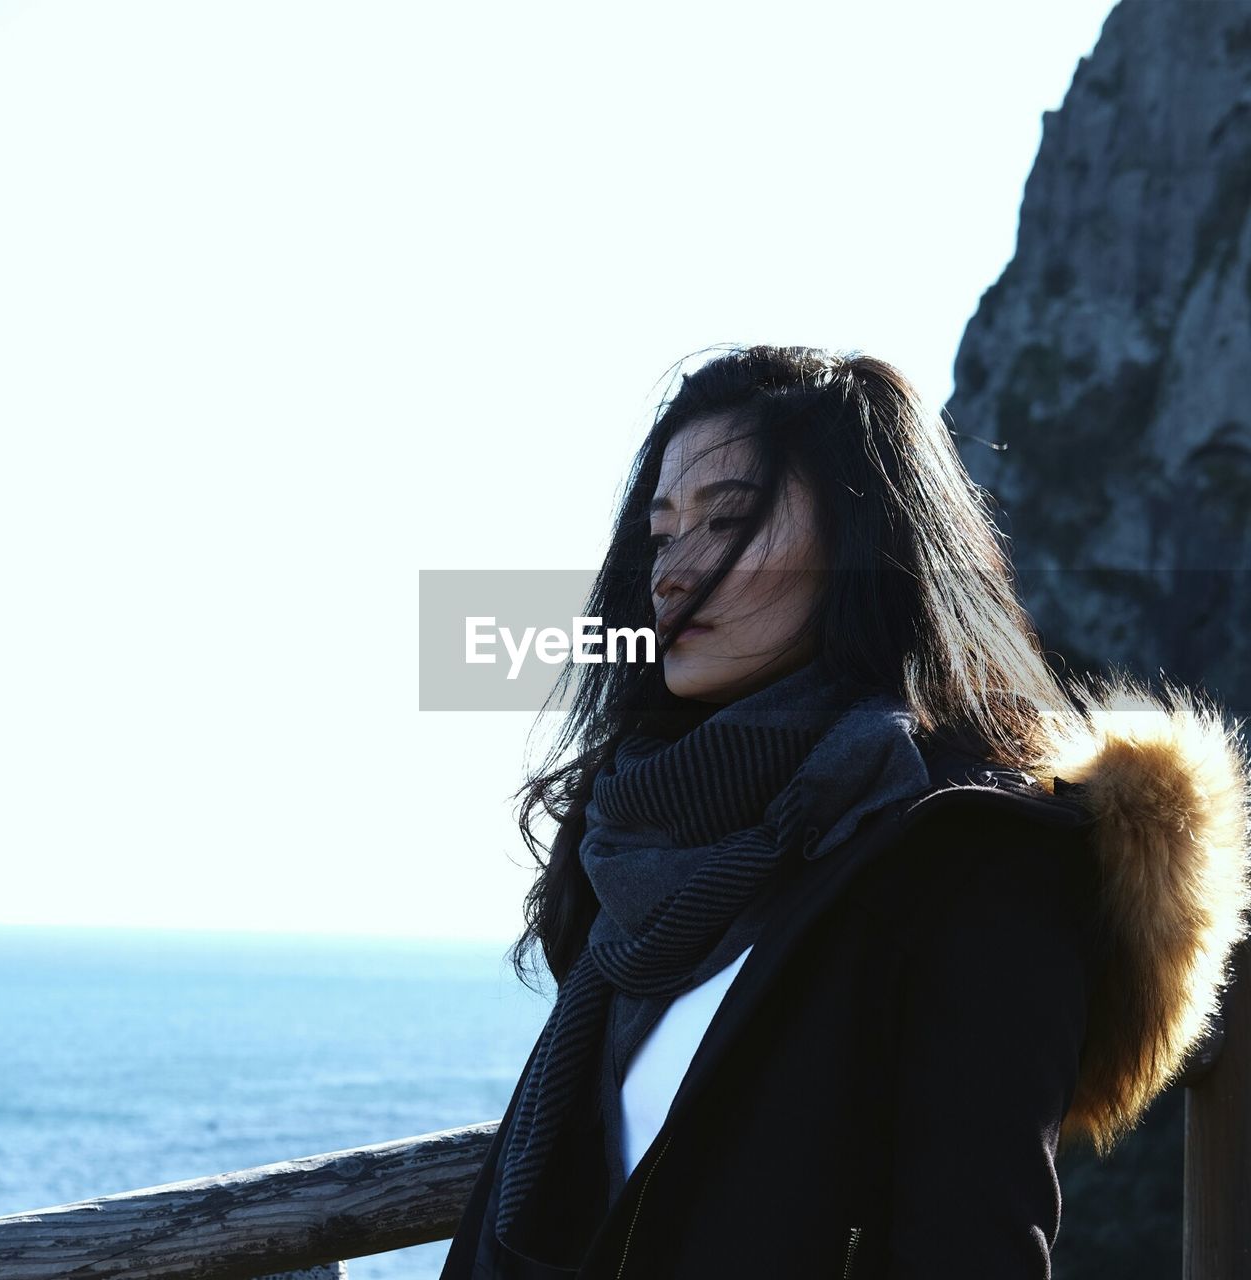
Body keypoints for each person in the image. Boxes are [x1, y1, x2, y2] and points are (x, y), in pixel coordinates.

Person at [438, 345, 1251, 1279]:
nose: (668, 574)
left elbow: (973, 1247)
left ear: (862, 542)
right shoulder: (632, 841)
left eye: (728, 519)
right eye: (661, 534)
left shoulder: (975, 856)